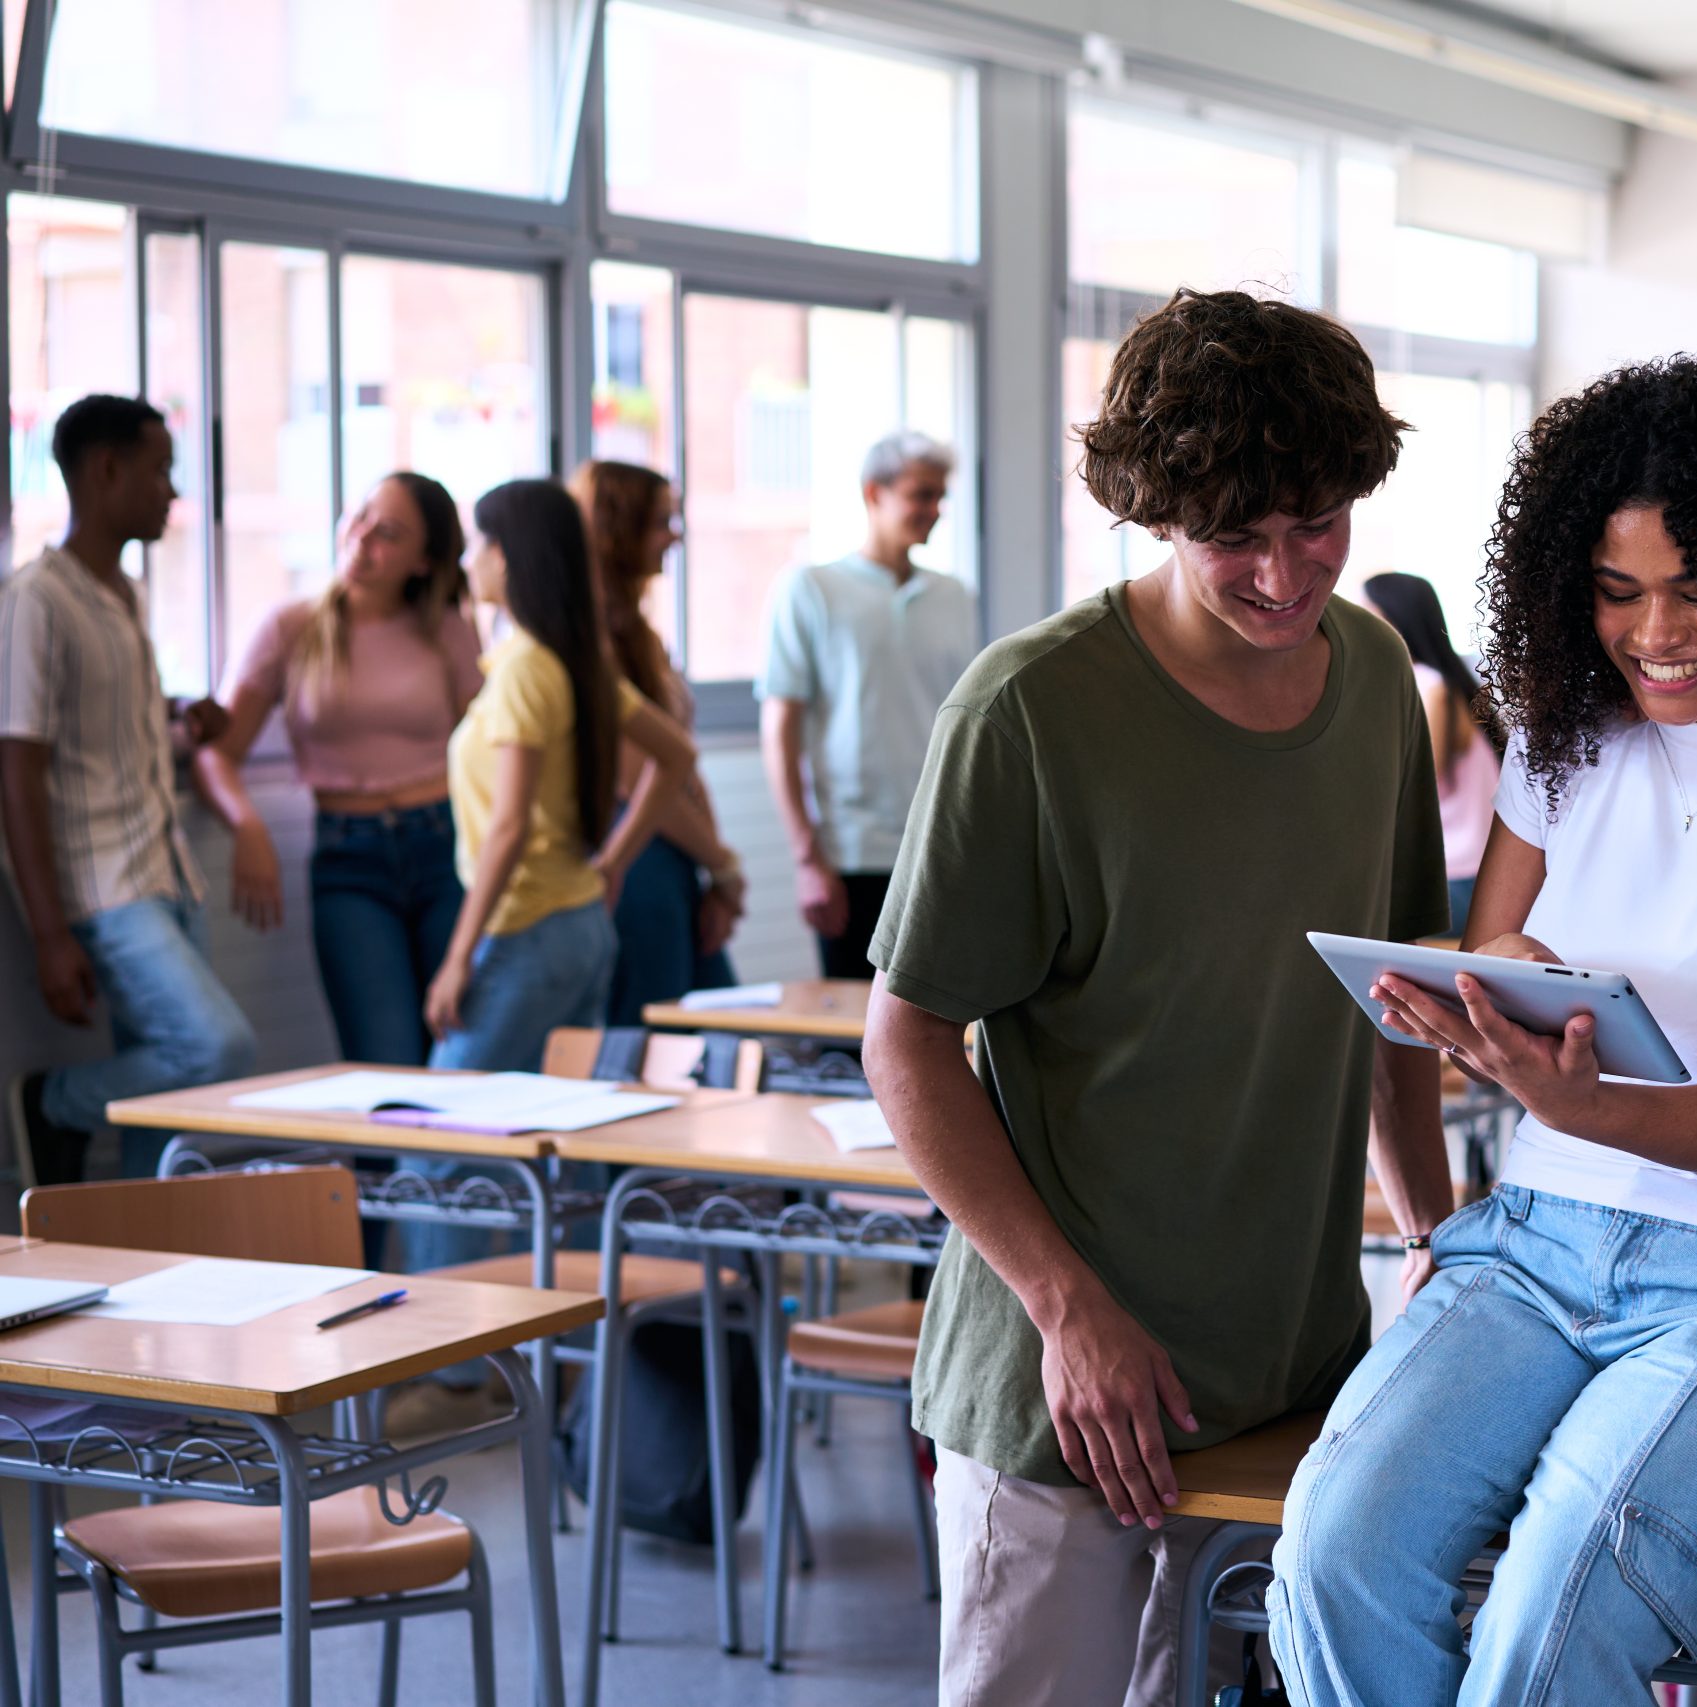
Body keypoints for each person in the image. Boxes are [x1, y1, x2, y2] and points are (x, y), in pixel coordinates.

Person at [1270, 350, 1697, 1706]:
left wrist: (1575, 1096)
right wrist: (1492, 989)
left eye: (1696, 589)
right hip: (1533, 1240)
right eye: (1618, 594)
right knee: (1332, 1546)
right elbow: (1505, 939)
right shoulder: (1561, 749)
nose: (1657, 632)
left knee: (1555, 1616)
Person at [860, 287, 1450, 1707]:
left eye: (1315, 521)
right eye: (1231, 535)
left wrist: (1439, 1231)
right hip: (1064, 1386)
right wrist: (1070, 1309)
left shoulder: (1374, 675)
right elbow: (907, 1041)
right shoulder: (1031, 710)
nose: (1284, 571)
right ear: (1149, 510)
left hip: (1286, 1372)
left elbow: (1397, 999)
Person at [403, 479, 694, 1270]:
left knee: (437, 1140)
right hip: (577, 927)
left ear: (507, 555)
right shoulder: (564, 659)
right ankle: (570, 1357)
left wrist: (459, 956)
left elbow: (506, 829)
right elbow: (676, 757)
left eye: (476, 544)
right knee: (561, 1144)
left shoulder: (532, 668)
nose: (467, 560)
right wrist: (608, 866)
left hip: (525, 933)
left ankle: (447, 1366)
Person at [2, 395, 254, 1184]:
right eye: (160, 471)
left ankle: (156, 1276)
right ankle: (54, 1102)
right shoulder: (36, 599)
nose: (172, 493)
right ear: (105, 470)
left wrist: (183, 713)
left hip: (167, 869)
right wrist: (50, 934)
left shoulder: (128, 595)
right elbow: (17, 766)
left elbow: (108, 714)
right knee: (217, 1048)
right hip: (105, 886)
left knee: (173, 1119)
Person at [195, 473, 481, 1066]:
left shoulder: (449, 630)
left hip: (446, 849)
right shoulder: (289, 629)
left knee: (462, 1050)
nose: (362, 539)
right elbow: (216, 749)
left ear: (425, 561)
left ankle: (457, 1166)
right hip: (350, 862)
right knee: (384, 1058)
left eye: (389, 533)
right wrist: (247, 827)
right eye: (359, 517)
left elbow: (489, 754)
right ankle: (388, 1166)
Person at [757, 431, 977, 980]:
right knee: (851, 1035)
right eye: (920, 495)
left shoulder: (953, 597)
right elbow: (779, 730)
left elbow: (968, 725)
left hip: (938, 845)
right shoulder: (810, 590)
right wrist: (809, 859)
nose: (933, 510)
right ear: (872, 494)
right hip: (851, 853)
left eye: (939, 497)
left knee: (935, 1026)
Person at [568, 459, 744, 1024]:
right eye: (660, 521)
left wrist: (715, 867)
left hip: (675, 855)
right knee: (660, 1038)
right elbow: (639, 775)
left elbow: (683, 766)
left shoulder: (638, 635)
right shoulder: (591, 639)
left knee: (714, 1031)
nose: (675, 535)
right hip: (641, 854)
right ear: (619, 533)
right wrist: (720, 864)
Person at [1361, 572, 1500, 935]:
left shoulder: (1426, 685)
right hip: (1475, 877)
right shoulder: (1450, 683)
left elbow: (1415, 793)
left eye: (1366, 616)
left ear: (1395, 620)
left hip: (1457, 881)